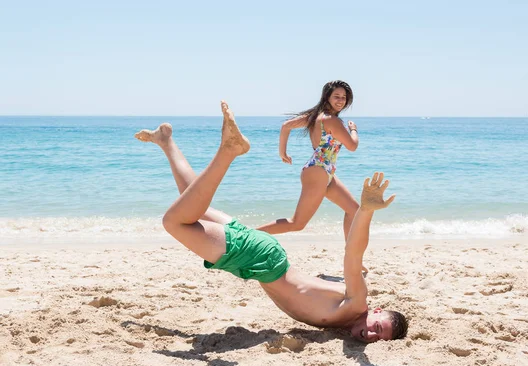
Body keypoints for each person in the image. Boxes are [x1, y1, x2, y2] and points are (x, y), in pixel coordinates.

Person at [133, 101, 408, 343]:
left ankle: (166, 140)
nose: (371, 334)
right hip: (262, 261)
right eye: (378, 327)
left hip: (265, 258)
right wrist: (366, 211)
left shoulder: (345, 323)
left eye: (379, 338)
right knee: (175, 222)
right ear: (377, 311)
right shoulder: (357, 303)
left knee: (192, 201)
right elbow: (353, 253)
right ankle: (228, 151)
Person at [256, 81, 361, 249]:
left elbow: (286, 126)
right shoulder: (331, 120)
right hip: (318, 171)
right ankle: (248, 236)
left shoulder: (315, 117)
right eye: (336, 96)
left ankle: (351, 257)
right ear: (327, 97)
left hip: (325, 171)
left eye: (344, 97)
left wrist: (282, 152)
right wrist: (354, 130)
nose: (340, 100)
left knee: (354, 210)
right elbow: (352, 146)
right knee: (297, 223)